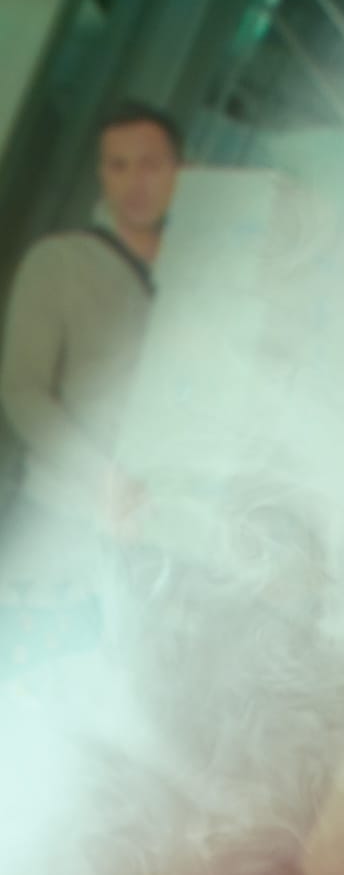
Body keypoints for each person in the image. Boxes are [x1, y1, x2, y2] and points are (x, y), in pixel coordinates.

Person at [0, 101, 177, 557]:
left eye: (150, 165)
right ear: (102, 175)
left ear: (179, 171)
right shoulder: (59, 260)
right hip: (60, 516)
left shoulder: (198, 274)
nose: (135, 182)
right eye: (118, 166)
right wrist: (106, 480)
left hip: (159, 531)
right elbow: (22, 391)